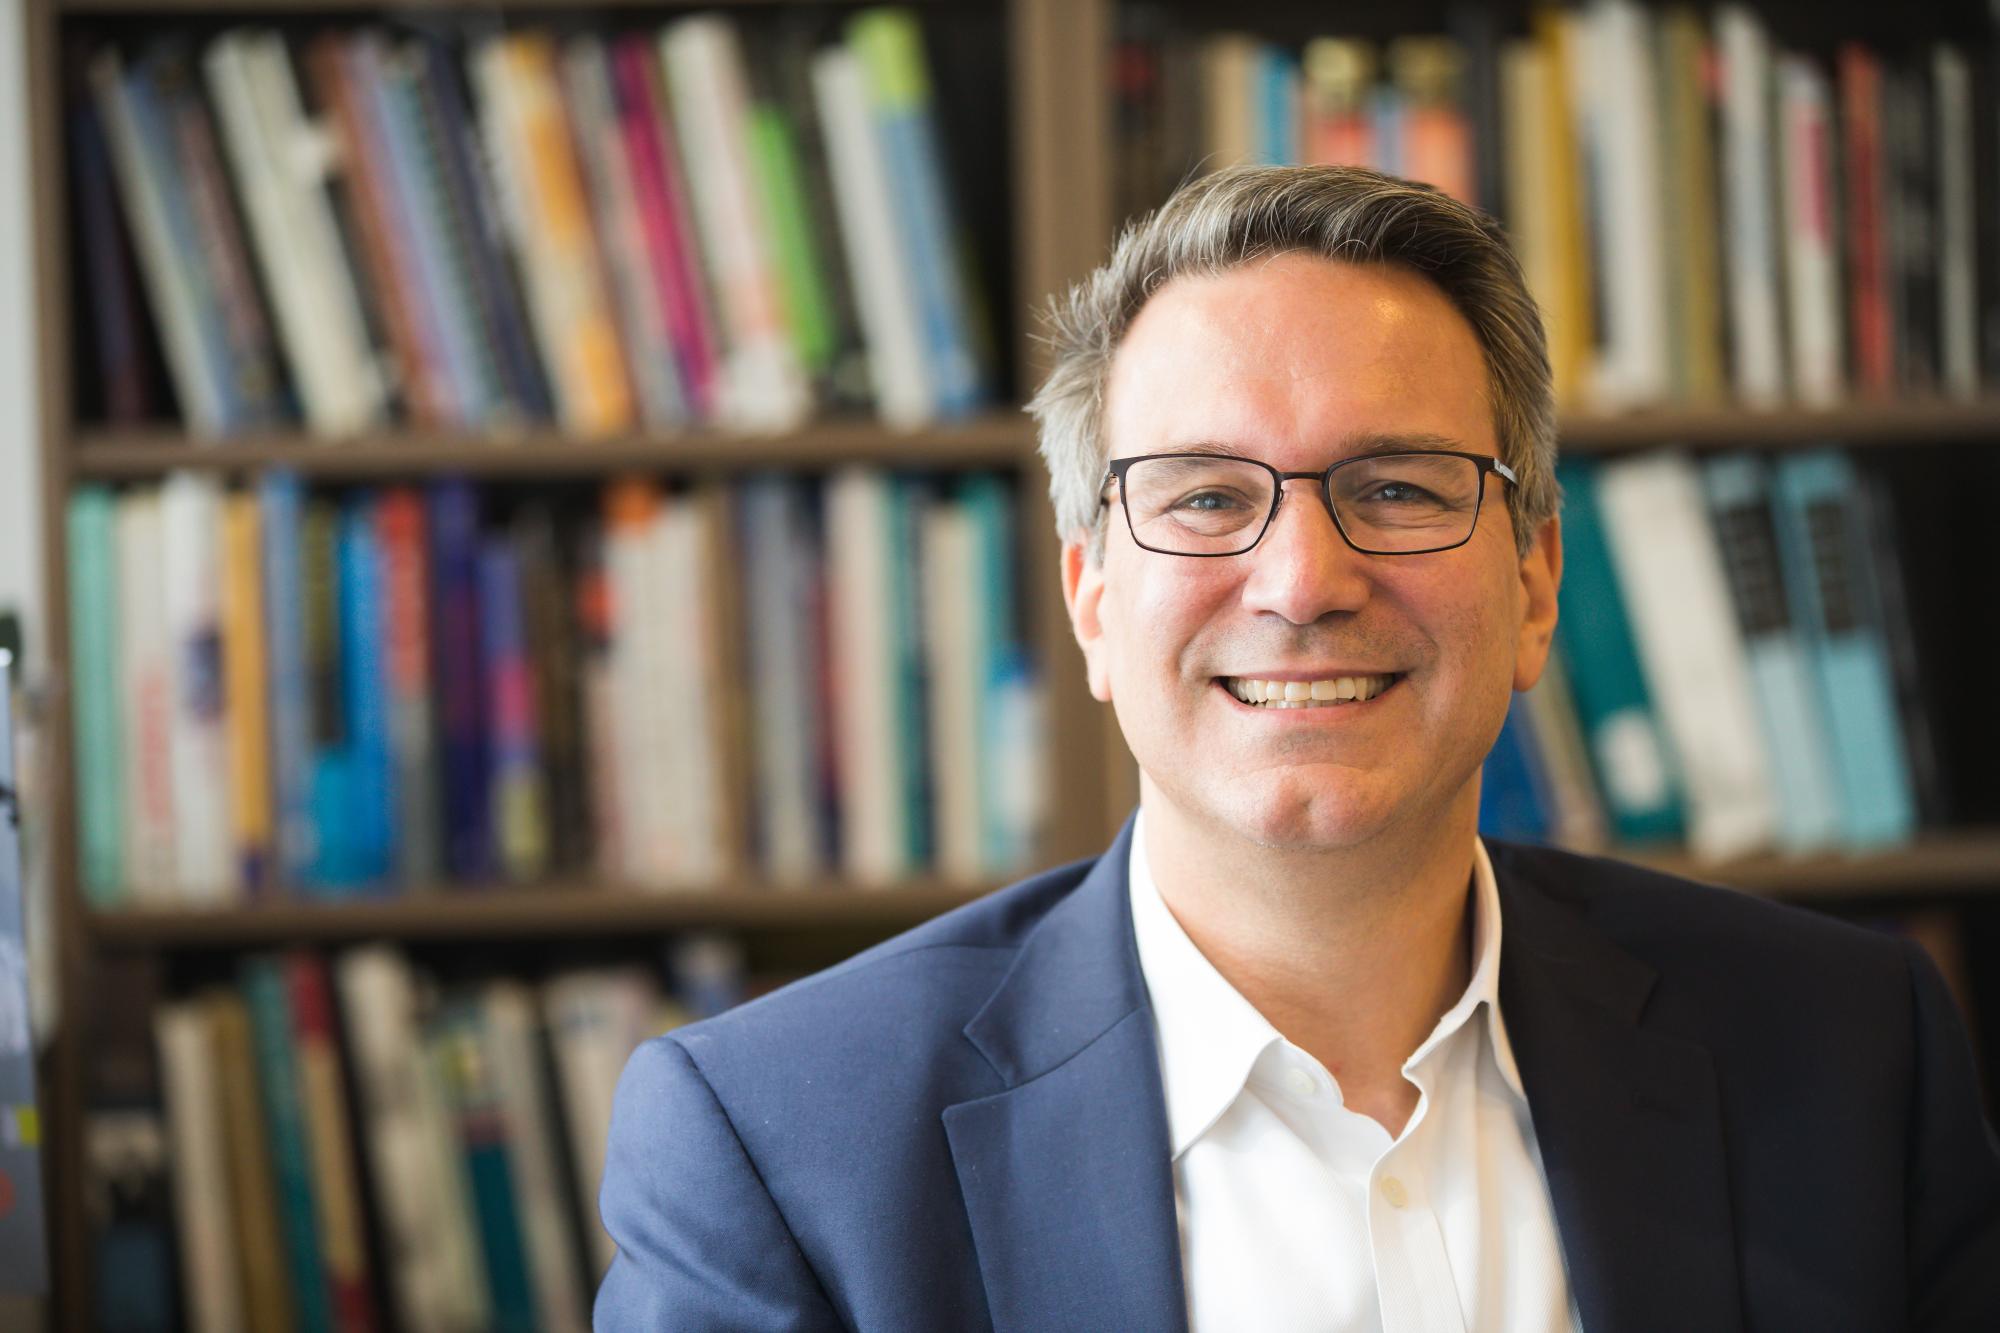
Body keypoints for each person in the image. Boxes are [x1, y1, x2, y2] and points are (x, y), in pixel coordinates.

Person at [594, 166, 2000, 1331]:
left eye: (1395, 485)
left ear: (1533, 584)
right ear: (1093, 599)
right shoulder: (775, 1147)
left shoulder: (1853, 1055)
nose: (1303, 581)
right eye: (1205, 496)